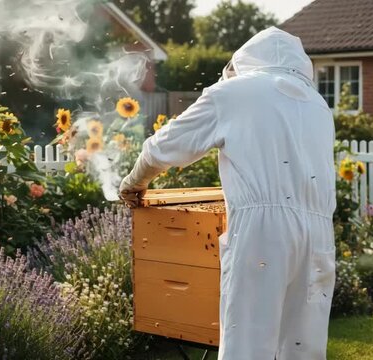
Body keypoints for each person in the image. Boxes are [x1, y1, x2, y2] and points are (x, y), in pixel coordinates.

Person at [119, 27, 336, 360]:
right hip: (320, 237)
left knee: (247, 348)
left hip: (263, 234)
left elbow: (164, 147)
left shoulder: (232, 93)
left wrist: (134, 181)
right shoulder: (318, 105)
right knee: (303, 350)